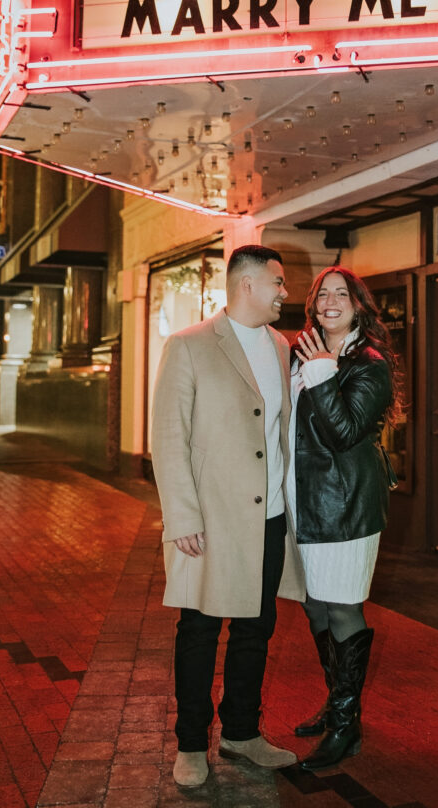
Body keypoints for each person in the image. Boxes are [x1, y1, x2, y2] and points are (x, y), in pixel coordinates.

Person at [150, 244, 305, 789]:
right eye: (278, 283)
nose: (285, 292)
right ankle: (191, 743)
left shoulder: (282, 348)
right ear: (247, 285)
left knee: (255, 630)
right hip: (210, 520)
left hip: (270, 518)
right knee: (198, 629)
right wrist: (182, 517)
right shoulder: (189, 345)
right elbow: (168, 438)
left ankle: (242, 732)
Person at [287, 266, 399, 771]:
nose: (331, 301)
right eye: (322, 294)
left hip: (346, 504)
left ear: (358, 306)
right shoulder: (304, 353)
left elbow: (343, 432)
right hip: (305, 502)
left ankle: (347, 726)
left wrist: (322, 373)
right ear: (312, 305)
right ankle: (338, 705)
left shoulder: (367, 362)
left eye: (342, 294)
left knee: (342, 608)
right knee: (314, 607)